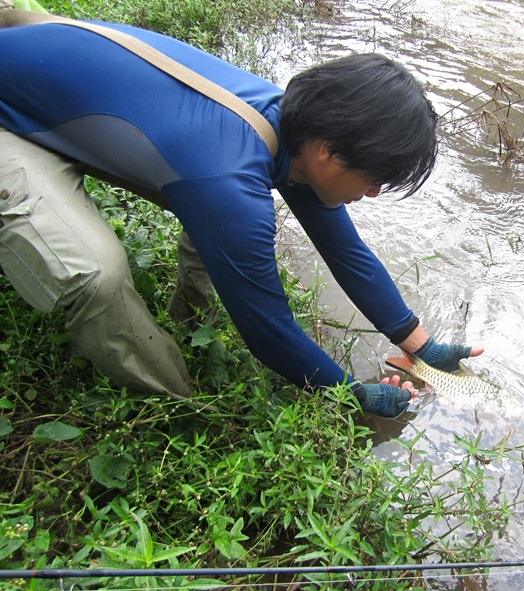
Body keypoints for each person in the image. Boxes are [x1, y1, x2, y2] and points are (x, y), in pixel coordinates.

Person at [0, 10, 483, 417]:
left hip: (45, 62)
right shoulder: (229, 175)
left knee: (223, 215)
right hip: (12, 112)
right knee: (96, 273)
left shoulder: (292, 124)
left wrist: (422, 347)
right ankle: (177, 404)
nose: (374, 193)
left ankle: (192, 325)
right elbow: (268, 330)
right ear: (328, 153)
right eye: (375, 178)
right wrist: (353, 395)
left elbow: (345, 251)